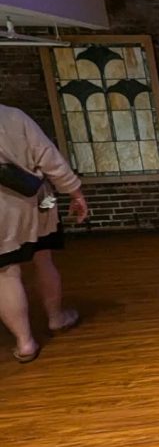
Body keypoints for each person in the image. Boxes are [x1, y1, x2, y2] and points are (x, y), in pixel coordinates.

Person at [0, 104, 88, 363]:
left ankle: (25, 342)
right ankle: (56, 317)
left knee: (6, 273)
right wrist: (75, 193)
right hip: (35, 202)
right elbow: (48, 156)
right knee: (43, 258)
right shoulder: (13, 116)